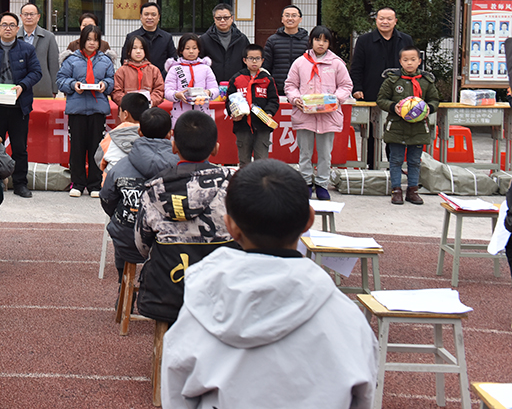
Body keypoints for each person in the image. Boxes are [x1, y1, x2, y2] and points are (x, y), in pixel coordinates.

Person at [160, 159, 377, 409]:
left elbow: (176, 395)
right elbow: (365, 397)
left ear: (230, 226)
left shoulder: (197, 312)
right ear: (309, 220)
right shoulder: (347, 319)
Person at [134, 111, 236, 325]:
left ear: (174, 146)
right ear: (216, 148)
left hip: (167, 292)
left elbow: (141, 245)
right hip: (224, 291)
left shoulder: (153, 189)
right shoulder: (233, 184)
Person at [100, 107, 178, 280]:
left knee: (121, 224)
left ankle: (123, 281)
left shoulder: (120, 167)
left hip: (128, 239)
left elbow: (106, 199)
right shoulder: (181, 167)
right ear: (169, 134)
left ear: (140, 132)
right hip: (169, 241)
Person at [0, 12, 42, 199]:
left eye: (12, 25)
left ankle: (20, 184)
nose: (8, 28)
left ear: (18, 29)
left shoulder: (27, 49)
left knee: (20, 148)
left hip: (19, 106)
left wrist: (22, 86)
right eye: (4, 25)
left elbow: (36, 72)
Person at [285, 26, 353, 200]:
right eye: (317, 40)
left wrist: (336, 99)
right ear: (311, 41)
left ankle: (322, 184)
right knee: (305, 153)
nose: (321, 44)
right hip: (304, 115)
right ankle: (306, 182)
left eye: (325, 40)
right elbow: (290, 85)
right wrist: (295, 99)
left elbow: (346, 85)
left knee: (325, 154)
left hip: (328, 116)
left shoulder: (337, 63)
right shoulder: (300, 62)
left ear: (329, 43)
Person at [56, 24, 116, 197]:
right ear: (82, 40)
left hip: (98, 110)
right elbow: (60, 80)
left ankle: (95, 184)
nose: (92, 43)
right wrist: (73, 85)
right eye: (88, 39)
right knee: (77, 147)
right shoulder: (71, 60)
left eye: (95, 40)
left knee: (96, 148)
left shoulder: (105, 60)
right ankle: (78, 183)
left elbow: (112, 80)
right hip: (77, 110)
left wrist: (105, 84)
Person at [377, 46, 440, 205]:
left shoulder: (426, 81)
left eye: (413, 59)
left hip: (418, 128)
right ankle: (396, 190)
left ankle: (413, 190)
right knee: (396, 160)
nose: (409, 63)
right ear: (400, 61)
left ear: (419, 61)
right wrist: (394, 107)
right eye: (405, 60)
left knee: (415, 161)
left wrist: (429, 108)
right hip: (396, 127)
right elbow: (381, 99)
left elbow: (435, 100)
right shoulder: (392, 80)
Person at [226, 44, 280, 167]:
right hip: (242, 125)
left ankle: (261, 180)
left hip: (262, 125)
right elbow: (229, 100)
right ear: (244, 60)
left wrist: (269, 112)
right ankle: (245, 179)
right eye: (251, 58)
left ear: (262, 60)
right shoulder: (236, 79)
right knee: (244, 161)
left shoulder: (267, 79)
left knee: (261, 160)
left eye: (257, 58)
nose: (254, 61)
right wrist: (233, 113)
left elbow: (274, 100)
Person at [349, 7, 413, 102]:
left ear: (395, 21)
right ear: (376, 20)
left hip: (400, 94)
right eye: (381, 19)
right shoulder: (364, 40)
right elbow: (357, 67)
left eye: (389, 19)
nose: (385, 22)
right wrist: (357, 88)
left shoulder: (406, 40)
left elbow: (413, 66)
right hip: (371, 92)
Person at [164, 33, 219, 126]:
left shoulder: (206, 68)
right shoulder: (174, 69)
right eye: (187, 48)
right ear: (181, 50)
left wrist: (208, 92)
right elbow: (167, 91)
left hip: (202, 113)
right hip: (180, 115)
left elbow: (215, 89)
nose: (191, 51)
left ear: (199, 50)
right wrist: (177, 95)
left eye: (194, 48)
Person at [97, 92, 148, 176]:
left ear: (125, 114)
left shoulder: (112, 135)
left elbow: (99, 159)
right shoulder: (150, 133)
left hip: (113, 180)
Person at [121, 2, 176, 76]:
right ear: (141, 16)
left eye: (153, 14)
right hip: (137, 79)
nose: (149, 17)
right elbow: (125, 60)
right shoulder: (131, 37)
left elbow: (173, 61)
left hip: (161, 79)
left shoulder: (167, 37)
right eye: (146, 14)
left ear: (159, 17)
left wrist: (160, 77)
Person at [199, 3, 249, 83]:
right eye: (219, 18)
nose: (222, 20)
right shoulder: (204, 40)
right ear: (214, 19)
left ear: (232, 18)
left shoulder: (242, 39)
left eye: (226, 17)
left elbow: (247, 63)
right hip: (211, 85)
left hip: (237, 84)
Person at [262, 5, 309, 88]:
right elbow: (266, 66)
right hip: (277, 87)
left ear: (300, 19)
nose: (290, 18)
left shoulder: (308, 41)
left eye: (294, 16)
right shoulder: (272, 40)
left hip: (302, 87)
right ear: (282, 19)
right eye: (287, 15)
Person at [18, 3, 60, 97]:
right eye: (25, 14)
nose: (29, 17)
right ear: (21, 16)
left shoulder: (48, 37)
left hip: (43, 88)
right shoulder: (14, 37)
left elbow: (54, 65)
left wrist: (54, 89)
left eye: (32, 14)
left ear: (38, 17)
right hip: (18, 87)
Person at [113, 35, 165, 107]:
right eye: (134, 48)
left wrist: (150, 102)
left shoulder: (154, 70)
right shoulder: (121, 71)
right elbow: (116, 91)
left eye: (141, 48)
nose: (138, 51)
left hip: (149, 109)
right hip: (127, 110)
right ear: (128, 51)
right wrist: (127, 103)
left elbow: (159, 90)